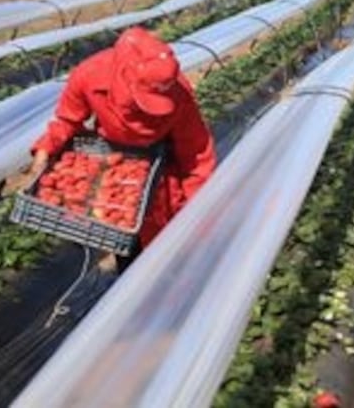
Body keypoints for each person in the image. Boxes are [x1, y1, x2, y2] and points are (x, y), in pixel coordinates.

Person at [29, 26, 215, 265]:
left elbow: (196, 153)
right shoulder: (89, 75)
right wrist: (46, 149)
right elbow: (67, 120)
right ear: (122, 76)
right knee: (125, 243)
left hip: (160, 169)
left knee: (164, 244)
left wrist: (199, 209)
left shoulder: (178, 94)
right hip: (111, 166)